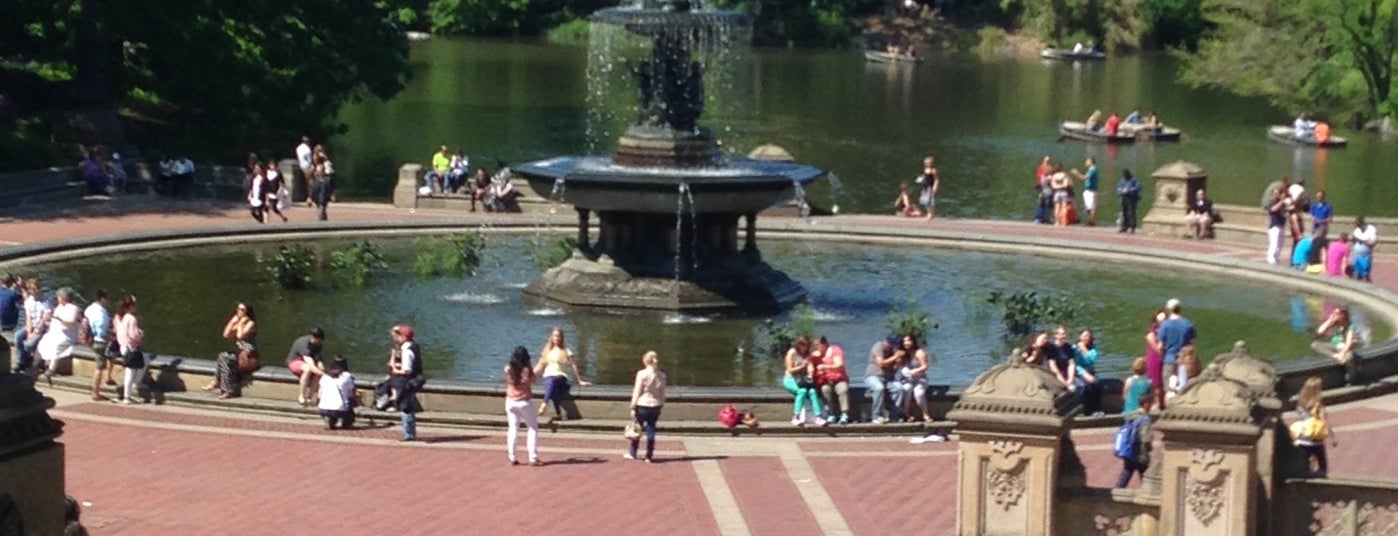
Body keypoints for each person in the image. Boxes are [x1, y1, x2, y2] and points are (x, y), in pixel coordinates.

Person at [534, 328, 591, 427]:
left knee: (553, 382)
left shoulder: (566, 350)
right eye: (555, 336)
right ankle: (558, 413)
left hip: (561, 377)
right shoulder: (547, 350)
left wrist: (579, 380)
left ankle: (544, 404)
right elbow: (540, 365)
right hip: (548, 376)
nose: (557, 338)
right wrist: (529, 376)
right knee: (551, 384)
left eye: (559, 336)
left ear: (562, 337)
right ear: (551, 337)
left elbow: (573, 365)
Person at [206, 302, 257, 399]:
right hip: (240, 355)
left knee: (225, 359)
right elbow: (226, 335)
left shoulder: (250, 323)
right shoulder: (238, 321)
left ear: (247, 312)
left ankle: (221, 384)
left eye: (242, 310)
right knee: (223, 356)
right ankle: (224, 387)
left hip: (248, 357)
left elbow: (240, 336)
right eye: (238, 309)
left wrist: (241, 323)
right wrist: (233, 322)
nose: (238, 311)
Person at [36, 287, 82, 386]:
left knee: (56, 345)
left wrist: (59, 319)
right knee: (44, 342)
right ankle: (41, 364)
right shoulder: (58, 307)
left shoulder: (73, 308)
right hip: (55, 332)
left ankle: (51, 369)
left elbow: (71, 321)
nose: (58, 299)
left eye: (59, 297)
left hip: (67, 334)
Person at [626, 350, 667, 462]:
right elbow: (663, 392)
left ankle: (633, 452)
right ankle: (649, 455)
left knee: (637, 429)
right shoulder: (662, 375)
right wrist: (661, 403)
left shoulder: (642, 374)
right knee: (651, 429)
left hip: (642, 404)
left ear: (645, 361)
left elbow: (637, 391)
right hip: (656, 405)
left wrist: (632, 406)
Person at [1292, 377, 1336, 477]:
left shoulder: (1300, 403)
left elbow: (1301, 418)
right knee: (1322, 467)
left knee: (1303, 466)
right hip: (1315, 438)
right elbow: (1324, 420)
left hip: (1302, 438)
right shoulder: (1318, 404)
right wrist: (1332, 436)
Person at [504, 346, 541, 466]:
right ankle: (533, 457)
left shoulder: (508, 368)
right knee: (532, 428)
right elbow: (533, 380)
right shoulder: (527, 370)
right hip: (525, 401)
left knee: (513, 428)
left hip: (511, 401)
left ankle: (512, 456)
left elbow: (510, 380)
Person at [388, 324, 423, 441]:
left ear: (403, 337)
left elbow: (407, 370)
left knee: (405, 407)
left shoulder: (407, 350)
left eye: (398, 335)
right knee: (408, 406)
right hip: (413, 380)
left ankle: (408, 434)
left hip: (406, 381)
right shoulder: (413, 345)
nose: (396, 337)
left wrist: (395, 369)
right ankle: (410, 433)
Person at [782, 337, 825, 426]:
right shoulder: (792, 353)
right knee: (802, 391)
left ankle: (819, 416)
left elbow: (810, 366)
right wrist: (802, 366)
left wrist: (810, 374)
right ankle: (796, 416)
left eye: (806, 346)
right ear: (798, 345)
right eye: (802, 346)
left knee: (813, 391)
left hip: (803, 379)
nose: (804, 348)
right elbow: (790, 370)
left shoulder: (807, 354)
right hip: (791, 379)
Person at [1157, 299, 1197, 393]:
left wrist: (1162, 357)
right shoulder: (1188, 324)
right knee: (1184, 389)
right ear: (1180, 309)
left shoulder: (1165, 325)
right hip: (1184, 361)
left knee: (1169, 389)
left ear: (1169, 310)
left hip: (1169, 359)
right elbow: (1192, 345)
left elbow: (1160, 347)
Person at [113, 295, 147, 404]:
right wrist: (141, 334)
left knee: (144, 361)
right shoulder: (131, 318)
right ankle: (127, 395)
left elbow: (116, 330)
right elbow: (133, 335)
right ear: (131, 306)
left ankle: (131, 389)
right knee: (130, 372)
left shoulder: (119, 317)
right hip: (131, 347)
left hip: (122, 346)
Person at [1115, 395, 1154, 488]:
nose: (1151, 406)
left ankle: (1118, 489)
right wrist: (1149, 448)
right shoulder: (1145, 419)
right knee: (1145, 473)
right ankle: (1147, 491)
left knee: (1127, 471)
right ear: (1145, 404)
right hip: (1140, 451)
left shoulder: (1132, 416)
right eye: (1150, 404)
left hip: (1129, 448)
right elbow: (1146, 438)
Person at [812, 336, 851, 424]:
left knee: (842, 390)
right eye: (815, 345)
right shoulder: (816, 354)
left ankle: (844, 414)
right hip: (825, 380)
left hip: (839, 378)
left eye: (818, 345)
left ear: (824, 344)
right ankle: (831, 414)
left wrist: (825, 366)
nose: (816, 347)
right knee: (825, 390)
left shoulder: (835, 350)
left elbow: (839, 364)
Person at [83, 290, 114, 401]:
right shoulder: (101, 312)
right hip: (100, 341)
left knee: (106, 360)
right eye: (106, 299)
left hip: (91, 339)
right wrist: (107, 335)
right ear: (102, 299)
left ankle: (108, 378)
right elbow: (101, 329)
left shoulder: (89, 309)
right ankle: (95, 392)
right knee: (99, 367)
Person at [865, 335, 903, 424]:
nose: (892, 347)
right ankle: (876, 416)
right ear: (887, 342)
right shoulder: (878, 346)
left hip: (887, 379)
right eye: (891, 344)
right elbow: (881, 363)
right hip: (873, 376)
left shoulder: (894, 351)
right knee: (879, 388)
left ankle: (893, 416)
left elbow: (894, 370)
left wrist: (897, 363)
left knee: (899, 388)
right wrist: (894, 357)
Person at [15, 278, 50, 374]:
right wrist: (29, 330)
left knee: (29, 344)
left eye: (38, 288)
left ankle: (31, 360)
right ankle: (20, 361)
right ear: (30, 290)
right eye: (33, 289)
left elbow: (45, 318)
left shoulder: (46, 300)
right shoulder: (29, 301)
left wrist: (36, 331)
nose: (36, 291)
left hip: (43, 327)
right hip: (33, 325)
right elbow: (28, 317)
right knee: (18, 335)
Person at [896, 334, 932, 422]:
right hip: (907, 379)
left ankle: (925, 414)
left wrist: (915, 371)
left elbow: (925, 366)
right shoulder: (902, 353)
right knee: (906, 390)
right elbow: (897, 366)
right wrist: (901, 367)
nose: (906, 343)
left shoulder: (919, 352)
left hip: (920, 378)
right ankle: (907, 414)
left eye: (908, 341)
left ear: (913, 341)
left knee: (918, 394)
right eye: (904, 341)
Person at [287, 327, 327, 406]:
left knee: (318, 372)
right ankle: (301, 396)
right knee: (308, 369)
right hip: (295, 361)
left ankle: (310, 397)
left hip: (308, 362)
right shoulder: (303, 344)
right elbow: (311, 365)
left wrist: (321, 365)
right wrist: (326, 375)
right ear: (313, 337)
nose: (320, 342)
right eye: (318, 340)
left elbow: (318, 357)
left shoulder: (318, 344)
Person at [317, 356, 356, 430]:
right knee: (350, 402)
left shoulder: (325, 376)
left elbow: (319, 395)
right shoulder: (347, 376)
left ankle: (330, 420)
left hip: (323, 408)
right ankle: (347, 422)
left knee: (333, 410)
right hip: (340, 409)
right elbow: (351, 394)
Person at [1073, 329, 1102, 415]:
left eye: (1089, 336)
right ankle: (1084, 410)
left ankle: (1096, 409)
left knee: (1096, 384)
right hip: (1078, 372)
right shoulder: (1074, 348)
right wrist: (1084, 374)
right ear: (1080, 337)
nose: (1087, 338)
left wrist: (1084, 348)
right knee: (1085, 386)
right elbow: (1076, 364)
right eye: (1085, 336)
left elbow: (1090, 359)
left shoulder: (1093, 348)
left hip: (1090, 371)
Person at [1144, 309, 1167, 408]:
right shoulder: (1152, 331)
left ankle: (1162, 403)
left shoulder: (1166, 329)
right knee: (1156, 383)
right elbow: (1155, 346)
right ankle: (1157, 403)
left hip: (1165, 357)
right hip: (1155, 358)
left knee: (1164, 383)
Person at [1045, 326, 1077, 392]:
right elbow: (1052, 365)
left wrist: (1070, 378)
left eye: (1064, 334)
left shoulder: (1068, 347)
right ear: (1055, 335)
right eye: (1061, 334)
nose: (1063, 336)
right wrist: (1062, 380)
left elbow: (1072, 363)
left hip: (1068, 374)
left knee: (1082, 386)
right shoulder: (1051, 348)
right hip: (1056, 375)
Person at [1069, 157, 1100, 226]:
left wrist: (1076, 173)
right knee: (1088, 207)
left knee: (1092, 207)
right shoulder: (1090, 170)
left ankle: (1092, 221)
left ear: (1091, 162)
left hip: (1091, 191)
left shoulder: (1093, 170)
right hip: (1088, 190)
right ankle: (1090, 220)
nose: (1085, 162)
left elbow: (1084, 177)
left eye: (1087, 161)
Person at [311, 148, 335, 221]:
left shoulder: (327, 179)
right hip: (317, 197)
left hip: (324, 198)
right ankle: (324, 220)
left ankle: (321, 221)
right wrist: (310, 198)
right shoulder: (316, 180)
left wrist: (332, 195)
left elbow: (330, 188)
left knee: (321, 210)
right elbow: (313, 189)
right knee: (321, 210)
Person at [1351, 217, 1377, 282]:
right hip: (1356, 255)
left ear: (1363, 223)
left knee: (1365, 275)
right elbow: (1353, 241)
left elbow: (1372, 243)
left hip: (1365, 256)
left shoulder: (1371, 229)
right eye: (1357, 225)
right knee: (1357, 274)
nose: (1358, 227)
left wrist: (1361, 240)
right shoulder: (1357, 230)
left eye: (1359, 225)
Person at [1266, 189, 1288, 265]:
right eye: (1275, 194)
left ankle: (1276, 259)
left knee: (1280, 244)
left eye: (1278, 194)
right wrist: (1282, 201)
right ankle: (1271, 259)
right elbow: (1273, 209)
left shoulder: (1283, 204)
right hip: (1274, 227)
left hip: (1282, 226)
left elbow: (1286, 211)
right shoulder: (1271, 203)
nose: (1276, 195)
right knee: (1274, 243)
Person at [914, 156, 940, 221]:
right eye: (926, 163)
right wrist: (920, 179)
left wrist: (935, 187)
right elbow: (924, 176)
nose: (927, 164)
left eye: (928, 163)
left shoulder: (933, 170)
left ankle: (930, 214)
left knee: (930, 201)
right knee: (925, 200)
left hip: (930, 187)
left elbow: (936, 179)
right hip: (925, 187)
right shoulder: (925, 170)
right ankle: (929, 213)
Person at [1116, 169, 1141, 233]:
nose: (1125, 176)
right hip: (1124, 198)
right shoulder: (1122, 181)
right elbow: (1118, 188)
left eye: (1126, 175)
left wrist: (1129, 190)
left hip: (1132, 199)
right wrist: (1122, 190)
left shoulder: (1134, 180)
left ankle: (1132, 227)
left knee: (1131, 213)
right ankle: (1124, 226)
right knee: (1124, 213)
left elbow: (1137, 188)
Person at [296, 136, 314, 205]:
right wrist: (311, 166)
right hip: (306, 166)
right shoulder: (307, 149)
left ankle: (306, 197)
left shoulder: (298, 148)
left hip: (300, 165)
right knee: (310, 183)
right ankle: (309, 197)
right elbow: (309, 159)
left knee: (304, 182)